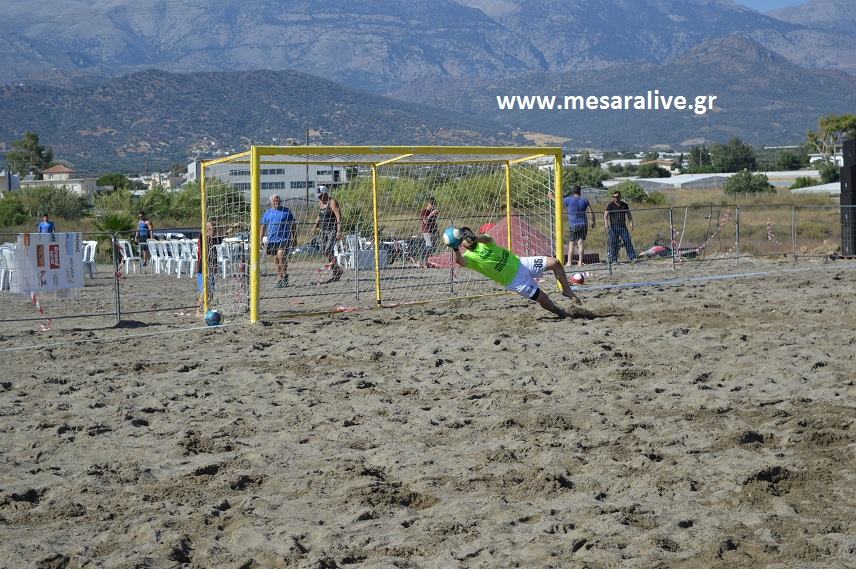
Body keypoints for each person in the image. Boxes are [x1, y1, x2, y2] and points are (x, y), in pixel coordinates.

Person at [452, 227, 581, 318]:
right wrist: (455, 248)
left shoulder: (483, 242)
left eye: (468, 235)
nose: (467, 239)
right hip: (516, 281)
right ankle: (560, 312)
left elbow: (487, 238)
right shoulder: (468, 257)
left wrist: (474, 237)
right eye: (464, 238)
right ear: (461, 243)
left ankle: (567, 290)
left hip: (522, 263)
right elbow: (460, 262)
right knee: (544, 299)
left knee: (555, 262)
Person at [260, 194, 296, 288]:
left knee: (281, 255)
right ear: (271, 202)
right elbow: (263, 226)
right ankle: (280, 278)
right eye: (275, 201)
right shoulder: (267, 213)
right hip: (272, 239)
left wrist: (294, 238)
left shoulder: (286, 212)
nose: (277, 202)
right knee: (276, 260)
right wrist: (261, 239)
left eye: (278, 200)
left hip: (284, 238)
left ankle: (285, 277)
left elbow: (293, 225)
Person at [312, 185, 343, 282]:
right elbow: (320, 215)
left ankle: (337, 270)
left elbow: (339, 217)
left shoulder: (332, 202)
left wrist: (339, 231)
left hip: (332, 230)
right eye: (318, 196)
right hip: (323, 230)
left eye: (320, 195)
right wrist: (315, 226)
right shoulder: (320, 203)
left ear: (325, 193)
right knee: (324, 251)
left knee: (328, 250)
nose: (319, 197)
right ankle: (336, 271)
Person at [562, 185, 596, 266]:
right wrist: (593, 222)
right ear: (580, 192)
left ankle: (569, 262)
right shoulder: (585, 200)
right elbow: (591, 213)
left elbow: (558, 203)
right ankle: (580, 262)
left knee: (571, 243)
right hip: (583, 223)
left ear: (572, 192)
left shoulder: (568, 199)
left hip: (573, 224)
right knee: (580, 243)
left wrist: (552, 197)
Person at [604, 191, 637, 263]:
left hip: (623, 227)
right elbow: (605, 215)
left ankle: (633, 257)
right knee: (613, 243)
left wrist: (631, 223)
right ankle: (613, 259)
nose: (616, 198)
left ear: (620, 196)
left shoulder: (624, 205)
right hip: (613, 227)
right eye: (614, 197)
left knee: (627, 241)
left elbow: (629, 215)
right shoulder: (610, 205)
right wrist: (606, 223)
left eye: (617, 196)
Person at [419, 197, 440, 266]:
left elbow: (434, 222)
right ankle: (421, 260)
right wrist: (431, 214)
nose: (433, 205)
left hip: (433, 231)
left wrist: (437, 231)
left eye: (434, 203)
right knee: (429, 246)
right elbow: (425, 221)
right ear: (428, 203)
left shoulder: (433, 212)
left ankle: (427, 262)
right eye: (431, 203)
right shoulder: (424, 211)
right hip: (427, 231)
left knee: (433, 248)